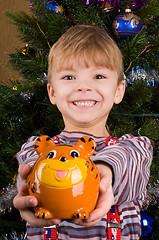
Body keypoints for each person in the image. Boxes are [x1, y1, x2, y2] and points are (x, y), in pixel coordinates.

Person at [13, 24, 153, 240]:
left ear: (118, 91)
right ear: (52, 92)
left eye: (98, 76)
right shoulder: (36, 149)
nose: (83, 86)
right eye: (69, 77)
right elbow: (29, 178)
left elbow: (126, 162)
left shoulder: (134, 148)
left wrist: (102, 172)